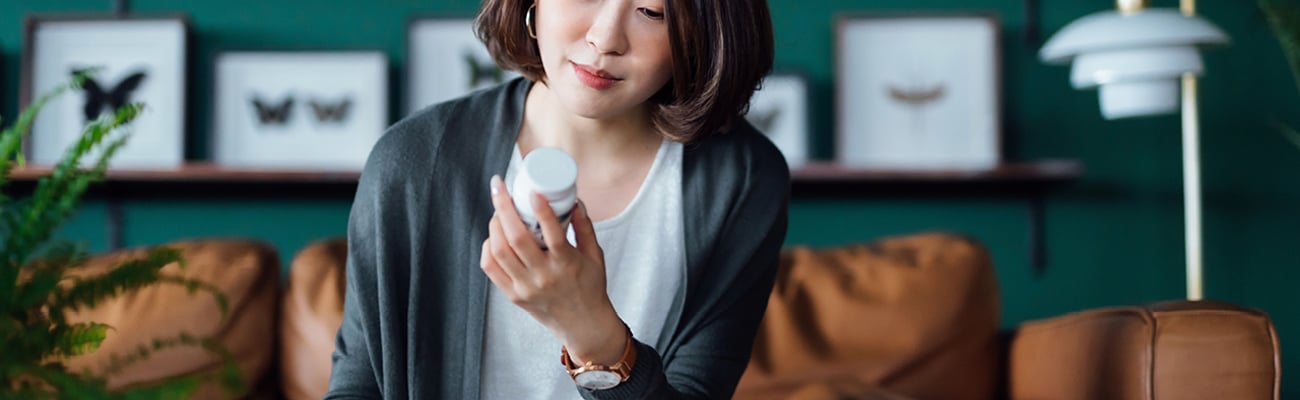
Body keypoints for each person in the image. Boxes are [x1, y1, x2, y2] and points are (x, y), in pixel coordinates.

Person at [324, 0, 786, 398]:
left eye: (652, 11)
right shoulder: (413, 163)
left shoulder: (741, 180)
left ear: (702, 34)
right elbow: (359, 385)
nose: (605, 38)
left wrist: (593, 333)